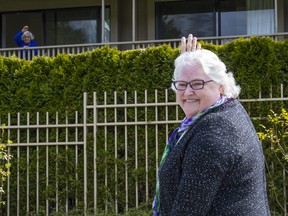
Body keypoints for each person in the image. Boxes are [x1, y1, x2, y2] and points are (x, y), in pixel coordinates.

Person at [152, 34, 271, 215]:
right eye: (181, 84)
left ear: (221, 86)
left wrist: (193, 67)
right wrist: (189, 63)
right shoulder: (225, 110)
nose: (188, 92)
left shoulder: (215, 133)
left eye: (198, 83)